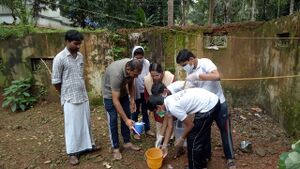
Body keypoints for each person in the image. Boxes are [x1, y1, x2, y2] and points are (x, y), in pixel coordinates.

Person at [176, 49, 236, 169]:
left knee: (225, 130)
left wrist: (199, 76)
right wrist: (186, 88)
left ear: (191, 60)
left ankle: (230, 158)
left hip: (219, 103)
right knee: (204, 132)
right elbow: (193, 88)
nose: (184, 68)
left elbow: (217, 76)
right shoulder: (190, 72)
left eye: (184, 65)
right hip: (205, 107)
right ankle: (206, 156)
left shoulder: (205, 63)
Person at [147, 82, 220, 169]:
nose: (158, 114)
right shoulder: (167, 101)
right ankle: (203, 160)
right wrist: (164, 145)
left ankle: (195, 166)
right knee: (201, 133)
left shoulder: (173, 107)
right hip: (210, 100)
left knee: (193, 139)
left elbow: (190, 125)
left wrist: (181, 138)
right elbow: (170, 126)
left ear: (158, 107)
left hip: (209, 105)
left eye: (155, 112)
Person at [51, 30, 97, 165]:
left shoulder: (80, 56)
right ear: (67, 41)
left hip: (82, 95)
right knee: (72, 126)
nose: (78, 46)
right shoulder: (59, 58)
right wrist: (64, 94)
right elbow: (56, 81)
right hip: (69, 98)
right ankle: (72, 152)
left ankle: (88, 146)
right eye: (75, 43)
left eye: (79, 44)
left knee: (85, 122)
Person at [102, 58, 143, 160]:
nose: (137, 77)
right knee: (113, 119)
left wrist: (132, 99)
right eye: (135, 74)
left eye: (138, 74)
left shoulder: (132, 67)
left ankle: (127, 142)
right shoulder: (116, 74)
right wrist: (125, 120)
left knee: (127, 115)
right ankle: (115, 147)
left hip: (123, 92)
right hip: (110, 95)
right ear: (128, 69)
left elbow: (131, 83)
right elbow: (115, 100)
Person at [143, 63, 175, 139]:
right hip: (157, 105)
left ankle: (170, 136)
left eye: (157, 75)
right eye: (152, 76)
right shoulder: (147, 80)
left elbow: (174, 95)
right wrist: (152, 106)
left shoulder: (170, 78)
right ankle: (160, 136)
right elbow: (147, 96)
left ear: (162, 73)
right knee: (160, 117)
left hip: (169, 103)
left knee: (170, 119)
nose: (154, 78)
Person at [131, 46, 155, 140]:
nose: (139, 60)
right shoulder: (131, 64)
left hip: (144, 91)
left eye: (141, 57)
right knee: (135, 112)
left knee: (145, 110)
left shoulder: (147, 63)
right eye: (137, 58)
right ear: (133, 56)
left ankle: (147, 129)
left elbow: (149, 76)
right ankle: (135, 132)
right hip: (135, 91)